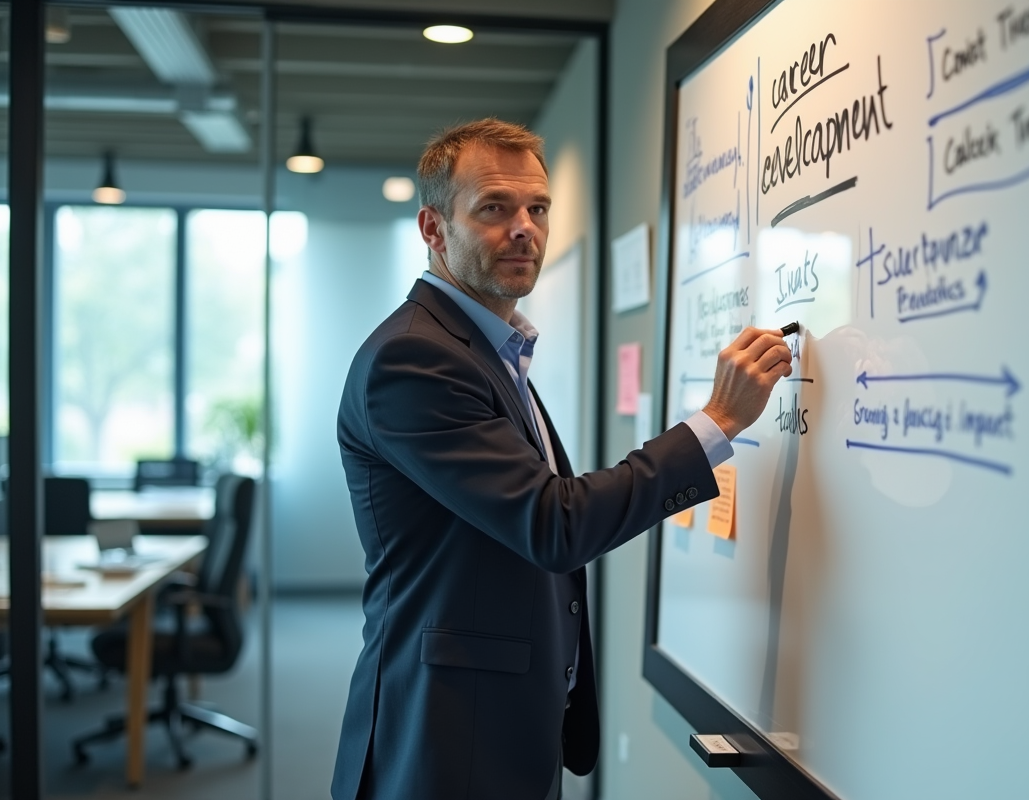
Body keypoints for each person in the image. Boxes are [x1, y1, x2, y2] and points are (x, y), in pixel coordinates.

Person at [332, 118, 792, 800]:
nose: (524, 228)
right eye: (494, 208)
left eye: (537, 208)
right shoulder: (414, 358)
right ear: (433, 228)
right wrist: (717, 423)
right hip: (445, 738)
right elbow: (553, 524)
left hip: (506, 719)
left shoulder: (489, 349)